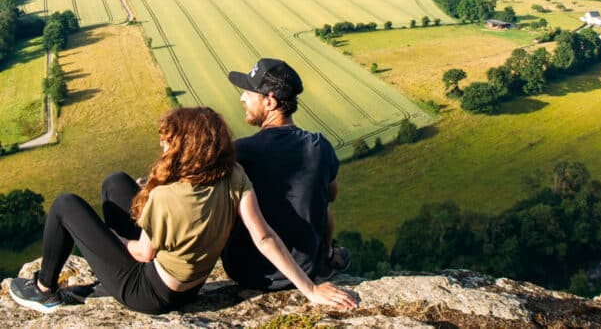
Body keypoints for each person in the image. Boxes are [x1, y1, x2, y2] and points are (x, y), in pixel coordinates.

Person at [8, 107, 358, 314]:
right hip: (190, 282)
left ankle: (43, 291)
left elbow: (143, 252)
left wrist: (110, 239)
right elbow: (264, 236)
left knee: (66, 205)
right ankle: (104, 278)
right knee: (116, 182)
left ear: (188, 145)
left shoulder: (166, 197)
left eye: (168, 140)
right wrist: (308, 288)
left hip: (151, 292)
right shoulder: (233, 174)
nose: (162, 145)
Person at [222, 58, 350, 291]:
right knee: (322, 202)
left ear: (270, 102)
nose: (242, 98)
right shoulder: (320, 146)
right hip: (305, 268)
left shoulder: (239, 151)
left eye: (248, 93)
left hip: (246, 270)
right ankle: (328, 253)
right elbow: (331, 196)